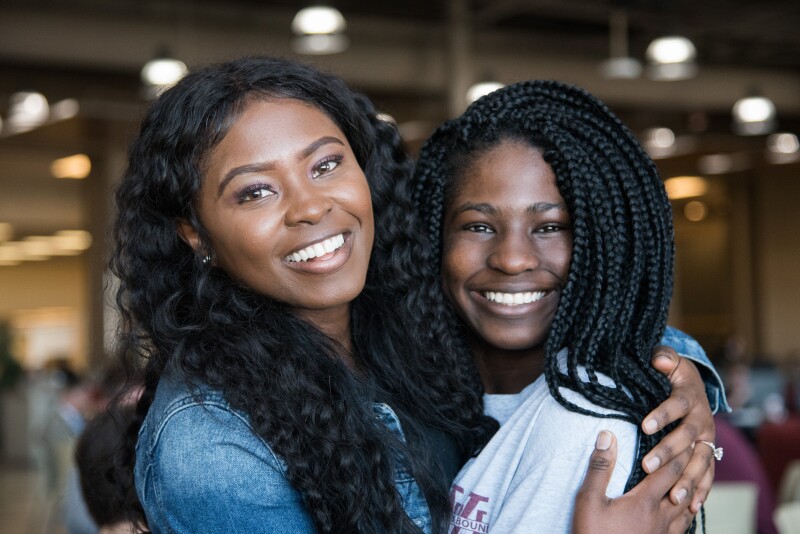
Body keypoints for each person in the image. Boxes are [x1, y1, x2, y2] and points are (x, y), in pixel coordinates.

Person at [111, 57, 720, 533]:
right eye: (255, 193)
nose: (311, 206)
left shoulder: (396, 321)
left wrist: (671, 364)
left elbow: (537, 301)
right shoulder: (211, 444)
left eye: (325, 165)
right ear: (195, 233)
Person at [405, 80, 724, 532]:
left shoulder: (590, 422)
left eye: (550, 226)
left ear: (603, 246)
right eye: (478, 226)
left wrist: (668, 365)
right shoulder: (397, 382)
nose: (512, 259)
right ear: (433, 238)